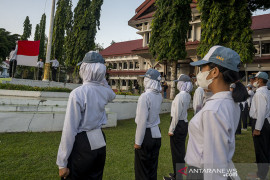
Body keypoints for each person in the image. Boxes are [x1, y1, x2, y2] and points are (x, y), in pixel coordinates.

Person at [185, 45, 249, 180]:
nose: (200, 72)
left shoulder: (214, 110)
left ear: (214, 72)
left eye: (203, 67)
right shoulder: (229, 102)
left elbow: (214, 166)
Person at [56, 51, 116, 180]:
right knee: (95, 175)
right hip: (99, 138)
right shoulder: (104, 92)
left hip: (82, 141)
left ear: (85, 69)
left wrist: (62, 162)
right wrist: (100, 78)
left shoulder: (78, 93)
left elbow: (69, 129)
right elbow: (112, 94)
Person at [134, 68, 163, 180]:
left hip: (146, 135)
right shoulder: (159, 96)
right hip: (156, 133)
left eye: (146, 78)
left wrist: (138, 142)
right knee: (152, 168)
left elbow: (142, 121)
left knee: (142, 171)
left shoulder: (145, 97)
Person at [163, 74, 193, 180]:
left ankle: (177, 177)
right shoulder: (188, 95)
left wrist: (171, 129)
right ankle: (178, 174)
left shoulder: (180, 96)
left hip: (177, 124)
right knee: (180, 151)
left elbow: (176, 114)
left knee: (176, 152)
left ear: (183, 84)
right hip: (183, 123)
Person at [249, 72, 270, 180]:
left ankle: (261, 175)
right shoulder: (266, 91)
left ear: (260, 80)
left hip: (259, 122)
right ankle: (261, 173)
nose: (254, 81)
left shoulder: (259, 93)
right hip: (264, 122)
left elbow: (261, 112)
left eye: (255, 79)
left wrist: (257, 128)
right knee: (265, 149)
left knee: (260, 150)